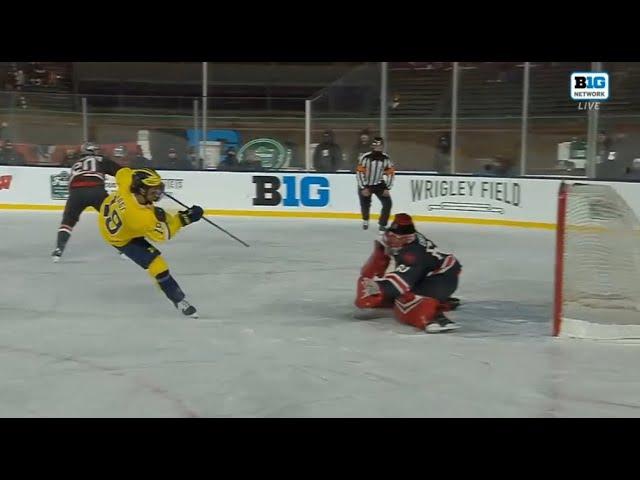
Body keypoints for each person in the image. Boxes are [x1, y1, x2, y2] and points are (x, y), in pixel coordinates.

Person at [98, 167, 203, 318]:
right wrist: (185, 219)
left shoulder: (129, 181)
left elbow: (122, 172)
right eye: (153, 191)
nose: (158, 193)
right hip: (122, 238)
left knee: (159, 214)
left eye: (158, 189)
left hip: (111, 216)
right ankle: (179, 300)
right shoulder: (141, 218)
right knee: (158, 265)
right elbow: (163, 235)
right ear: (140, 190)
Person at [354, 213, 462, 333]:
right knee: (394, 294)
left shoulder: (412, 254)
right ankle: (437, 299)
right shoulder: (405, 240)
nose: (393, 240)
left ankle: (434, 317)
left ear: (408, 238)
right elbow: (376, 264)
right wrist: (373, 271)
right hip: (432, 273)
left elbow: (400, 284)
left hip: (443, 277)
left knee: (403, 302)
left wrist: (377, 288)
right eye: (392, 235)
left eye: (398, 238)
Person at [52, 142, 122, 262]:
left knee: (67, 222)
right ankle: (123, 249)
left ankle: (58, 250)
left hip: (76, 194)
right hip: (96, 191)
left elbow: (71, 182)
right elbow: (121, 172)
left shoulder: (76, 164)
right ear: (93, 151)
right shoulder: (100, 159)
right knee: (113, 218)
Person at [356, 136, 395, 232]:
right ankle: (365, 219)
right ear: (372, 146)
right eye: (376, 146)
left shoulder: (386, 158)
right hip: (366, 183)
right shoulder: (365, 157)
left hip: (379, 183)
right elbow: (359, 173)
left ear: (383, 147)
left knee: (388, 203)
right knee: (365, 204)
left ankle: (382, 224)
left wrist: (387, 188)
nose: (378, 148)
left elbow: (391, 174)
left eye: (380, 146)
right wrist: (363, 187)